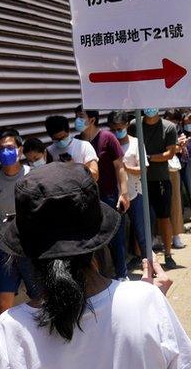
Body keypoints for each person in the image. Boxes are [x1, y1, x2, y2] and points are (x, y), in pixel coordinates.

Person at [0, 164, 191, 369]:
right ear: (100, 238)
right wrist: (153, 307)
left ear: (25, 251)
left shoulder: (11, 329)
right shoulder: (147, 301)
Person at [0, 128, 41, 314]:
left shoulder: (34, 175)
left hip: (32, 247)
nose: (5, 152)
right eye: (0, 148)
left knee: (40, 299)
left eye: (9, 147)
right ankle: (7, 341)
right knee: (3, 304)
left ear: (20, 149)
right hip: (5, 246)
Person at [75, 105, 130, 279]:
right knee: (92, 242)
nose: (77, 120)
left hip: (108, 195)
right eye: (76, 116)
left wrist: (124, 193)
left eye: (80, 116)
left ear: (92, 119)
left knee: (116, 238)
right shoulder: (77, 142)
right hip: (86, 199)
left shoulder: (107, 137)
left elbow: (119, 167)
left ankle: (121, 274)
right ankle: (100, 278)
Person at [131, 108, 179, 269]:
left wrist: (148, 158)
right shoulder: (133, 125)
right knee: (139, 218)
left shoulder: (169, 127)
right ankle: (139, 256)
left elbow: (169, 154)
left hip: (160, 178)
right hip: (137, 179)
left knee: (164, 217)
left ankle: (168, 254)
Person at [108, 111, 149, 270]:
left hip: (135, 193)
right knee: (119, 234)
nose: (117, 131)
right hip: (115, 196)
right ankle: (122, 267)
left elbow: (143, 169)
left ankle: (148, 264)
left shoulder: (136, 143)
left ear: (126, 125)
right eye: (114, 129)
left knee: (142, 232)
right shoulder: (110, 144)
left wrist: (125, 167)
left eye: (120, 128)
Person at [44, 115, 98, 179]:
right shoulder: (49, 151)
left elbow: (95, 175)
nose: (60, 141)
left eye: (63, 137)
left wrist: (74, 168)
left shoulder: (84, 146)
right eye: (56, 139)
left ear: (68, 131)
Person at [163, 110, 186, 251]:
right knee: (160, 204)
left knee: (175, 202)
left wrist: (179, 146)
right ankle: (161, 235)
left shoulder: (175, 130)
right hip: (158, 168)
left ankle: (176, 234)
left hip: (172, 168)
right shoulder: (159, 128)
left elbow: (176, 149)